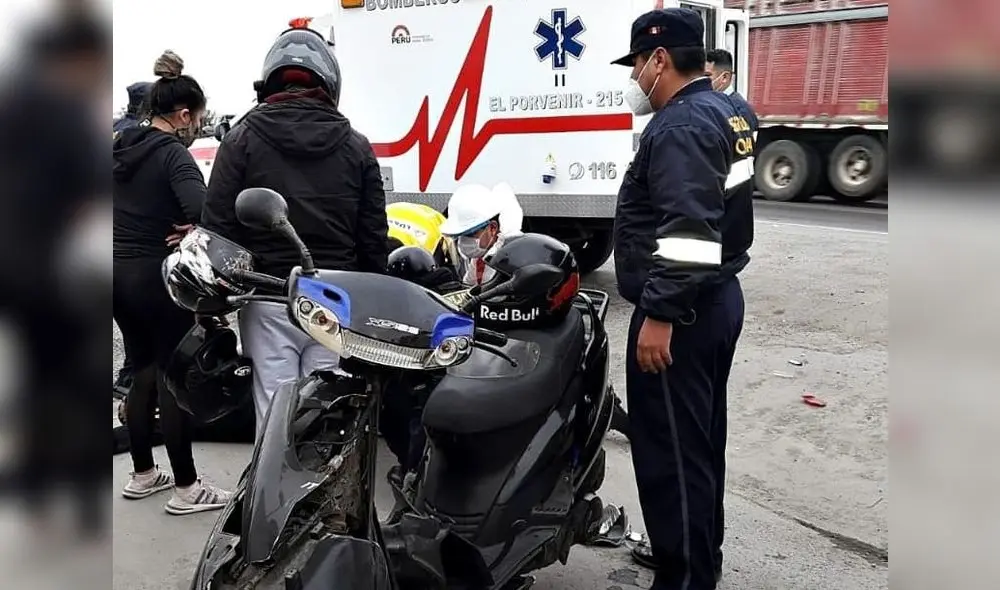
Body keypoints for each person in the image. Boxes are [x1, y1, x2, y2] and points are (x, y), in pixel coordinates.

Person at [610, 8, 755, 589]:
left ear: (659, 60)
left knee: (672, 458)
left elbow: (690, 232)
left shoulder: (679, 126)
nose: (635, 78)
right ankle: (700, 560)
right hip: (716, 299)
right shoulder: (727, 110)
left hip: (684, 313)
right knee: (699, 447)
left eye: (637, 65)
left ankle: (685, 577)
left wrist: (660, 316)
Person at [201, 26, 388, 437]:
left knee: (273, 417)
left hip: (267, 297)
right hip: (336, 298)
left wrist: (214, 303)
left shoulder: (240, 139)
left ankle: (269, 499)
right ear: (329, 82)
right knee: (326, 414)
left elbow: (216, 228)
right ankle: (325, 497)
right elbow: (374, 236)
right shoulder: (356, 146)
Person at [113, 50, 231, 515]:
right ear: (183, 115)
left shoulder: (118, 148)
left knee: (141, 369)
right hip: (157, 279)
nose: (199, 125)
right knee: (173, 376)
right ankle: (187, 487)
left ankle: (144, 474)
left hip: (117, 275)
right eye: (198, 118)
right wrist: (193, 228)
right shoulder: (174, 157)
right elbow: (205, 212)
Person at [112, 81, 152, 401]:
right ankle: (133, 377)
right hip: (139, 240)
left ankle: (128, 375)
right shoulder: (143, 134)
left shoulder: (112, 131)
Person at [438, 182, 523, 286]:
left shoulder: (511, 257)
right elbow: (468, 287)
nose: (464, 240)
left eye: (471, 234)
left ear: (492, 228)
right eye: (461, 235)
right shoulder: (481, 256)